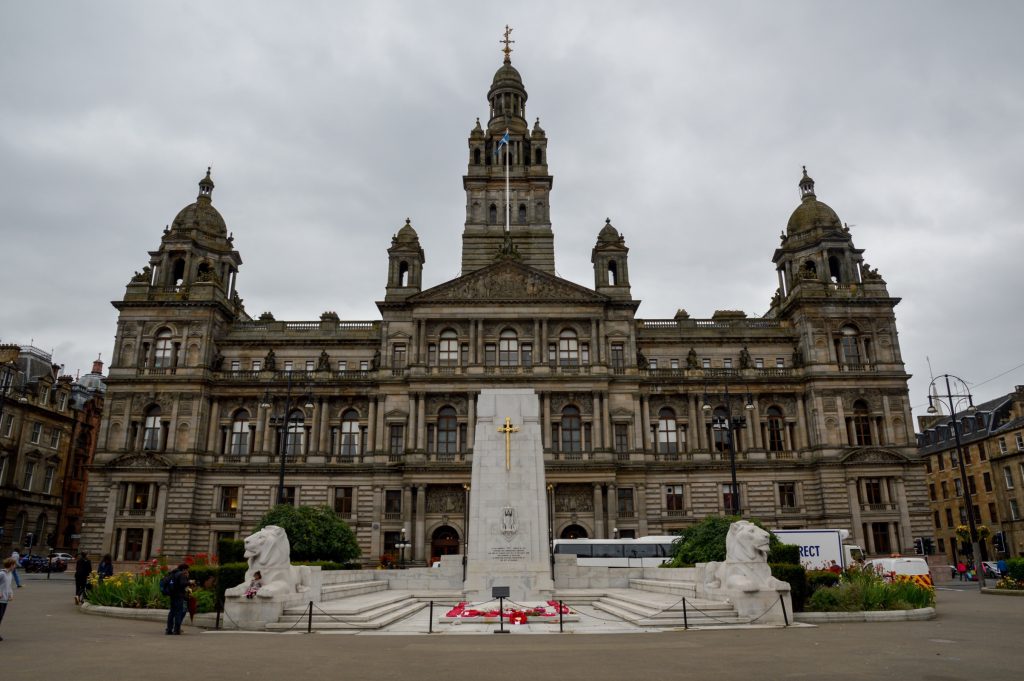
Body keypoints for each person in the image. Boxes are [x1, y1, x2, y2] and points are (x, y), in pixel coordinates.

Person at [165, 563, 190, 635]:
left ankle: (169, 629)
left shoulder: (173, 573)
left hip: (172, 595)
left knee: (172, 612)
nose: (187, 571)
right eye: (187, 569)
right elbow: (182, 584)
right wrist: (189, 582)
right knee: (179, 612)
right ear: (184, 569)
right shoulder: (181, 574)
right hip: (179, 596)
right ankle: (176, 630)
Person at [1, 557, 16, 641]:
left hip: (5, 599)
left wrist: (11, 594)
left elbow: (9, 586)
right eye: (14, 564)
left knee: (1, 617)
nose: (15, 566)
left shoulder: (10, 574)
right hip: (0, 598)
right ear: (10, 565)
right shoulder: (2, 573)